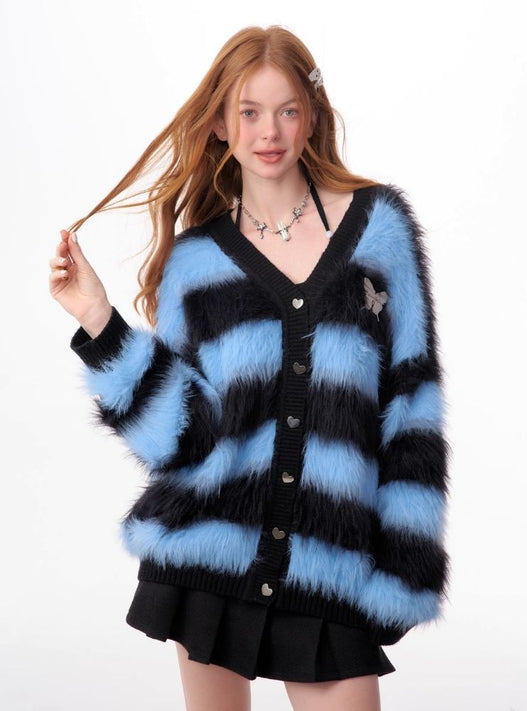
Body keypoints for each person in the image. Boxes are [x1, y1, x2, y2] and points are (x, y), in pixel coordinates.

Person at [49, 25, 450, 711]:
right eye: (249, 111)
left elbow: (412, 405)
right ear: (218, 123)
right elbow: (183, 438)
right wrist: (98, 321)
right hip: (207, 557)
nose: (270, 132)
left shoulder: (380, 231)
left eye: (288, 109)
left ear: (311, 116)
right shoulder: (194, 263)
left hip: (330, 566)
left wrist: (404, 571)